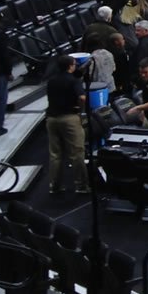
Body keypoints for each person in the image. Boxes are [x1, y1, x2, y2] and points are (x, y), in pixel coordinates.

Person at [45, 54, 88, 194]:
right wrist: (79, 108)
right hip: (69, 118)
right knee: (76, 153)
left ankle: (54, 186)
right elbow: (82, 97)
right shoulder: (73, 81)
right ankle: (81, 185)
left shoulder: (51, 81)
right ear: (70, 66)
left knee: (55, 154)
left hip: (51, 118)